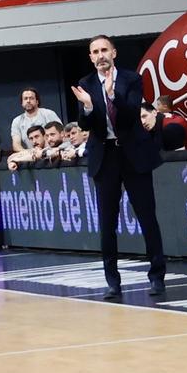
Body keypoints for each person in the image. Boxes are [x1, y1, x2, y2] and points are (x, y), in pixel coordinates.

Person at [72, 36, 169, 298]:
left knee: (147, 217)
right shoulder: (86, 84)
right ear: (90, 57)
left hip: (133, 153)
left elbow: (129, 115)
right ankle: (113, 281)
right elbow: (85, 124)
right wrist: (90, 106)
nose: (101, 55)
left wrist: (113, 93)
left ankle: (157, 276)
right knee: (107, 223)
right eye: (95, 52)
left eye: (105, 50)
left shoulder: (131, 79)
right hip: (105, 157)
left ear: (114, 52)